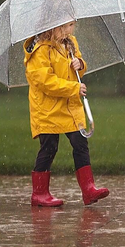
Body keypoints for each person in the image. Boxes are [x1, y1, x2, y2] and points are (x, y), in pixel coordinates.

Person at [23, 20, 109, 207]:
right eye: (67, 25)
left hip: (70, 106)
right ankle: (39, 193)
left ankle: (88, 189)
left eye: (72, 25)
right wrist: (73, 88)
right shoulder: (39, 50)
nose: (72, 29)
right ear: (54, 26)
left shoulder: (70, 44)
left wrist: (81, 64)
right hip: (47, 109)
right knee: (49, 147)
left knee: (80, 143)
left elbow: (77, 72)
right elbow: (45, 81)